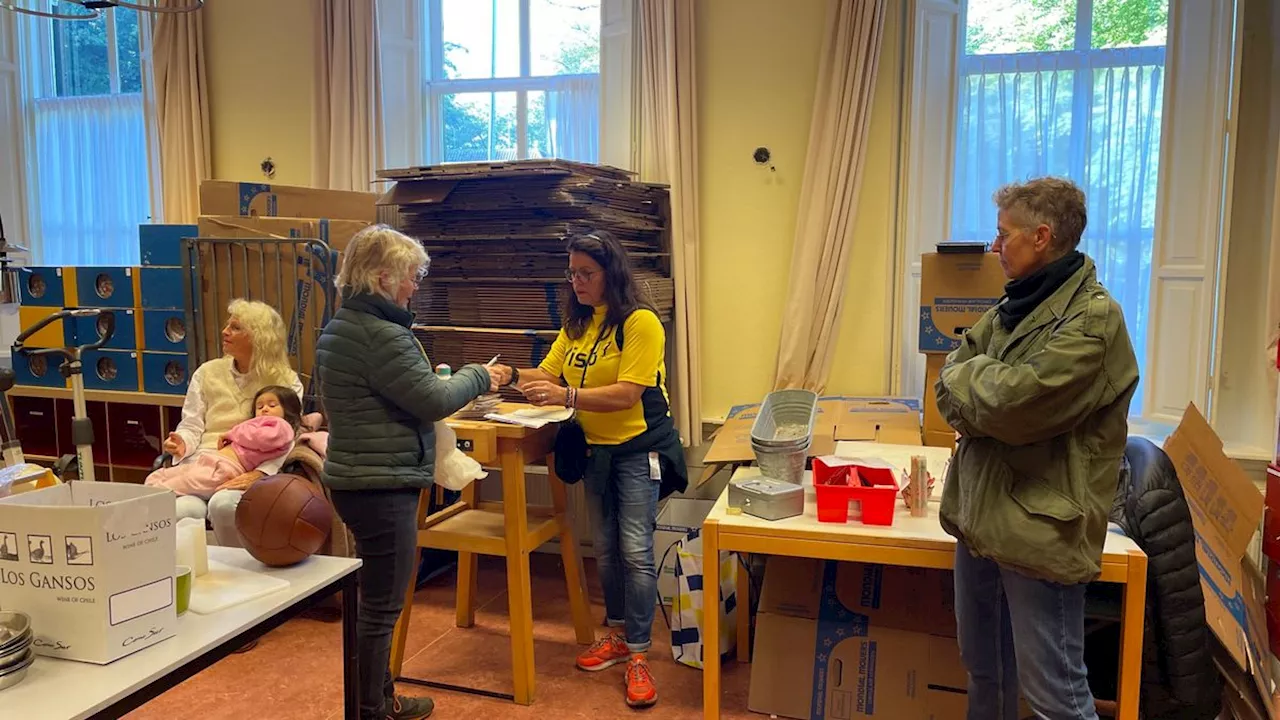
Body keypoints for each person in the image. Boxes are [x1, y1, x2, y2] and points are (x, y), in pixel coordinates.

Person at [934, 177, 1139, 720]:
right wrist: (981, 384)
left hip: (1040, 528)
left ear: (1042, 236)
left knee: (1057, 696)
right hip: (980, 516)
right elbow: (947, 380)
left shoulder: (1092, 320)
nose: (996, 246)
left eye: (1004, 235)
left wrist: (976, 388)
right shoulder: (1017, 304)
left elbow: (1017, 408)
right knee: (985, 671)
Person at [315, 225, 509, 720]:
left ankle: (378, 700)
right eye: (412, 276)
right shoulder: (382, 334)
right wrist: (481, 374)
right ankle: (372, 709)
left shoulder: (342, 326)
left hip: (355, 479)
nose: (415, 286)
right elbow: (433, 399)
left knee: (374, 601)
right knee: (382, 607)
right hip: (382, 485)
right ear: (383, 277)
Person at [510, 231, 687, 710]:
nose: (577, 281)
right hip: (597, 452)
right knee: (605, 550)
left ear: (611, 272)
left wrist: (567, 397)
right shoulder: (578, 324)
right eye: (572, 273)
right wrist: (501, 375)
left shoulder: (641, 323)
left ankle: (638, 653)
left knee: (634, 550)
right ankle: (615, 633)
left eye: (586, 273)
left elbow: (628, 393)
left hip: (638, 449)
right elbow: (547, 373)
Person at [164, 299, 303, 546]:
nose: (225, 331)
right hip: (201, 463)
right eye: (228, 325)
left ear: (259, 337)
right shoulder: (207, 372)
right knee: (183, 512)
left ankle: (242, 575)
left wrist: (260, 473)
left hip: (247, 469)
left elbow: (288, 439)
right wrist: (182, 441)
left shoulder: (286, 382)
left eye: (236, 327)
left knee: (224, 505)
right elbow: (192, 424)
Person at [146, 386, 300, 499]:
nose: (264, 409)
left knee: (180, 484)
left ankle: (154, 495)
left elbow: (263, 438)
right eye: (259, 407)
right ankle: (151, 486)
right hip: (209, 460)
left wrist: (232, 434)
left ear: (288, 411)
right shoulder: (255, 424)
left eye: (272, 405)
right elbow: (191, 425)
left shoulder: (281, 427)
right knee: (165, 475)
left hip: (225, 470)